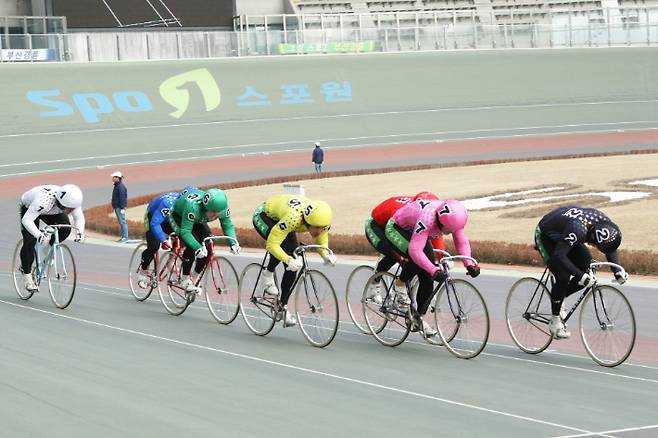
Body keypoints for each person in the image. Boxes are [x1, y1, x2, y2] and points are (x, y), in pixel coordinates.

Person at [385, 199, 480, 337]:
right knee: (421, 263)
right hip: (397, 229)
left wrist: (469, 264)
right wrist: (433, 270)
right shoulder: (427, 218)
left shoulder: (453, 218)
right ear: (441, 222)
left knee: (428, 276)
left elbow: (461, 241)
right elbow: (415, 251)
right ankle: (400, 283)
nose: (451, 232)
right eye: (449, 230)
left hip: (418, 233)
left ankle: (419, 319)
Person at [535, 206, 627, 339]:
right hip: (546, 236)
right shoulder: (578, 229)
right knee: (563, 276)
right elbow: (560, 256)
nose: (595, 247)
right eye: (595, 245)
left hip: (566, 233)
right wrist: (580, 276)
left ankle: (560, 297)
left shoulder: (605, 223)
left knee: (589, 270)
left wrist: (617, 270)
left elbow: (610, 248)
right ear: (592, 238)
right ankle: (554, 322)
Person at [252, 194, 336, 326]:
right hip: (264, 216)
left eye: (323, 227)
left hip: (283, 221)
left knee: (294, 265)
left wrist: (325, 254)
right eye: (316, 227)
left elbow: (321, 240)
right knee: (285, 249)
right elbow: (272, 244)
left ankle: (282, 308)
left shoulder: (321, 219)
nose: (319, 231)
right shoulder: (293, 218)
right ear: (308, 221)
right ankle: (267, 274)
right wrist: (287, 259)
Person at [364, 192, 446, 306]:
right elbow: (393, 232)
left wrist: (440, 260)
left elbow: (437, 241)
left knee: (419, 258)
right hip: (378, 225)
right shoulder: (406, 210)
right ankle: (375, 283)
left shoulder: (430, 214)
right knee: (395, 252)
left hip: (405, 227)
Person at [168, 187, 240, 294]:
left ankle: (194, 278)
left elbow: (227, 225)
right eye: (213, 212)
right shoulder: (192, 207)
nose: (216, 215)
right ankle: (185, 279)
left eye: (218, 213)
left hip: (199, 219)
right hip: (178, 217)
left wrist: (233, 243)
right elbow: (185, 232)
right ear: (205, 207)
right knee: (193, 246)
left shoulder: (222, 209)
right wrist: (197, 247)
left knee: (208, 248)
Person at [18, 184, 85, 291]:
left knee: (65, 228)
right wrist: (38, 235)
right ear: (60, 203)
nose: (70, 212)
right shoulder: (43, 201)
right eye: (68, 209)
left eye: (72, 209)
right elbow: (27, 220)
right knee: (30, 240)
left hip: (51, 210)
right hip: (30, 208)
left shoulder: (72, 201)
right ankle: (27, 276)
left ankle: (48, 249)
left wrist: (80, 232)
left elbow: (79, 217)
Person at [136, 186, 197, 285]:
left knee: (183, 236)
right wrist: (163, 240)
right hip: (154, 217)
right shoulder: (168, 203)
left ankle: (171, 260)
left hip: (170, 218)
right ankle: (143, 271)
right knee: (154, 246)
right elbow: (155, 223)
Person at [111, 171, 128, 242]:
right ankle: (124, 236)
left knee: (122, 222)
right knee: (121, 221)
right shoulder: (117, 185)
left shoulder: (120, 187)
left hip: (119, 207)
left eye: (114, 177)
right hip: (117, 207)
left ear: (118, 178)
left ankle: (125, 237)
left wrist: (122, 208)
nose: (112, 178)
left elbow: (122, 198)